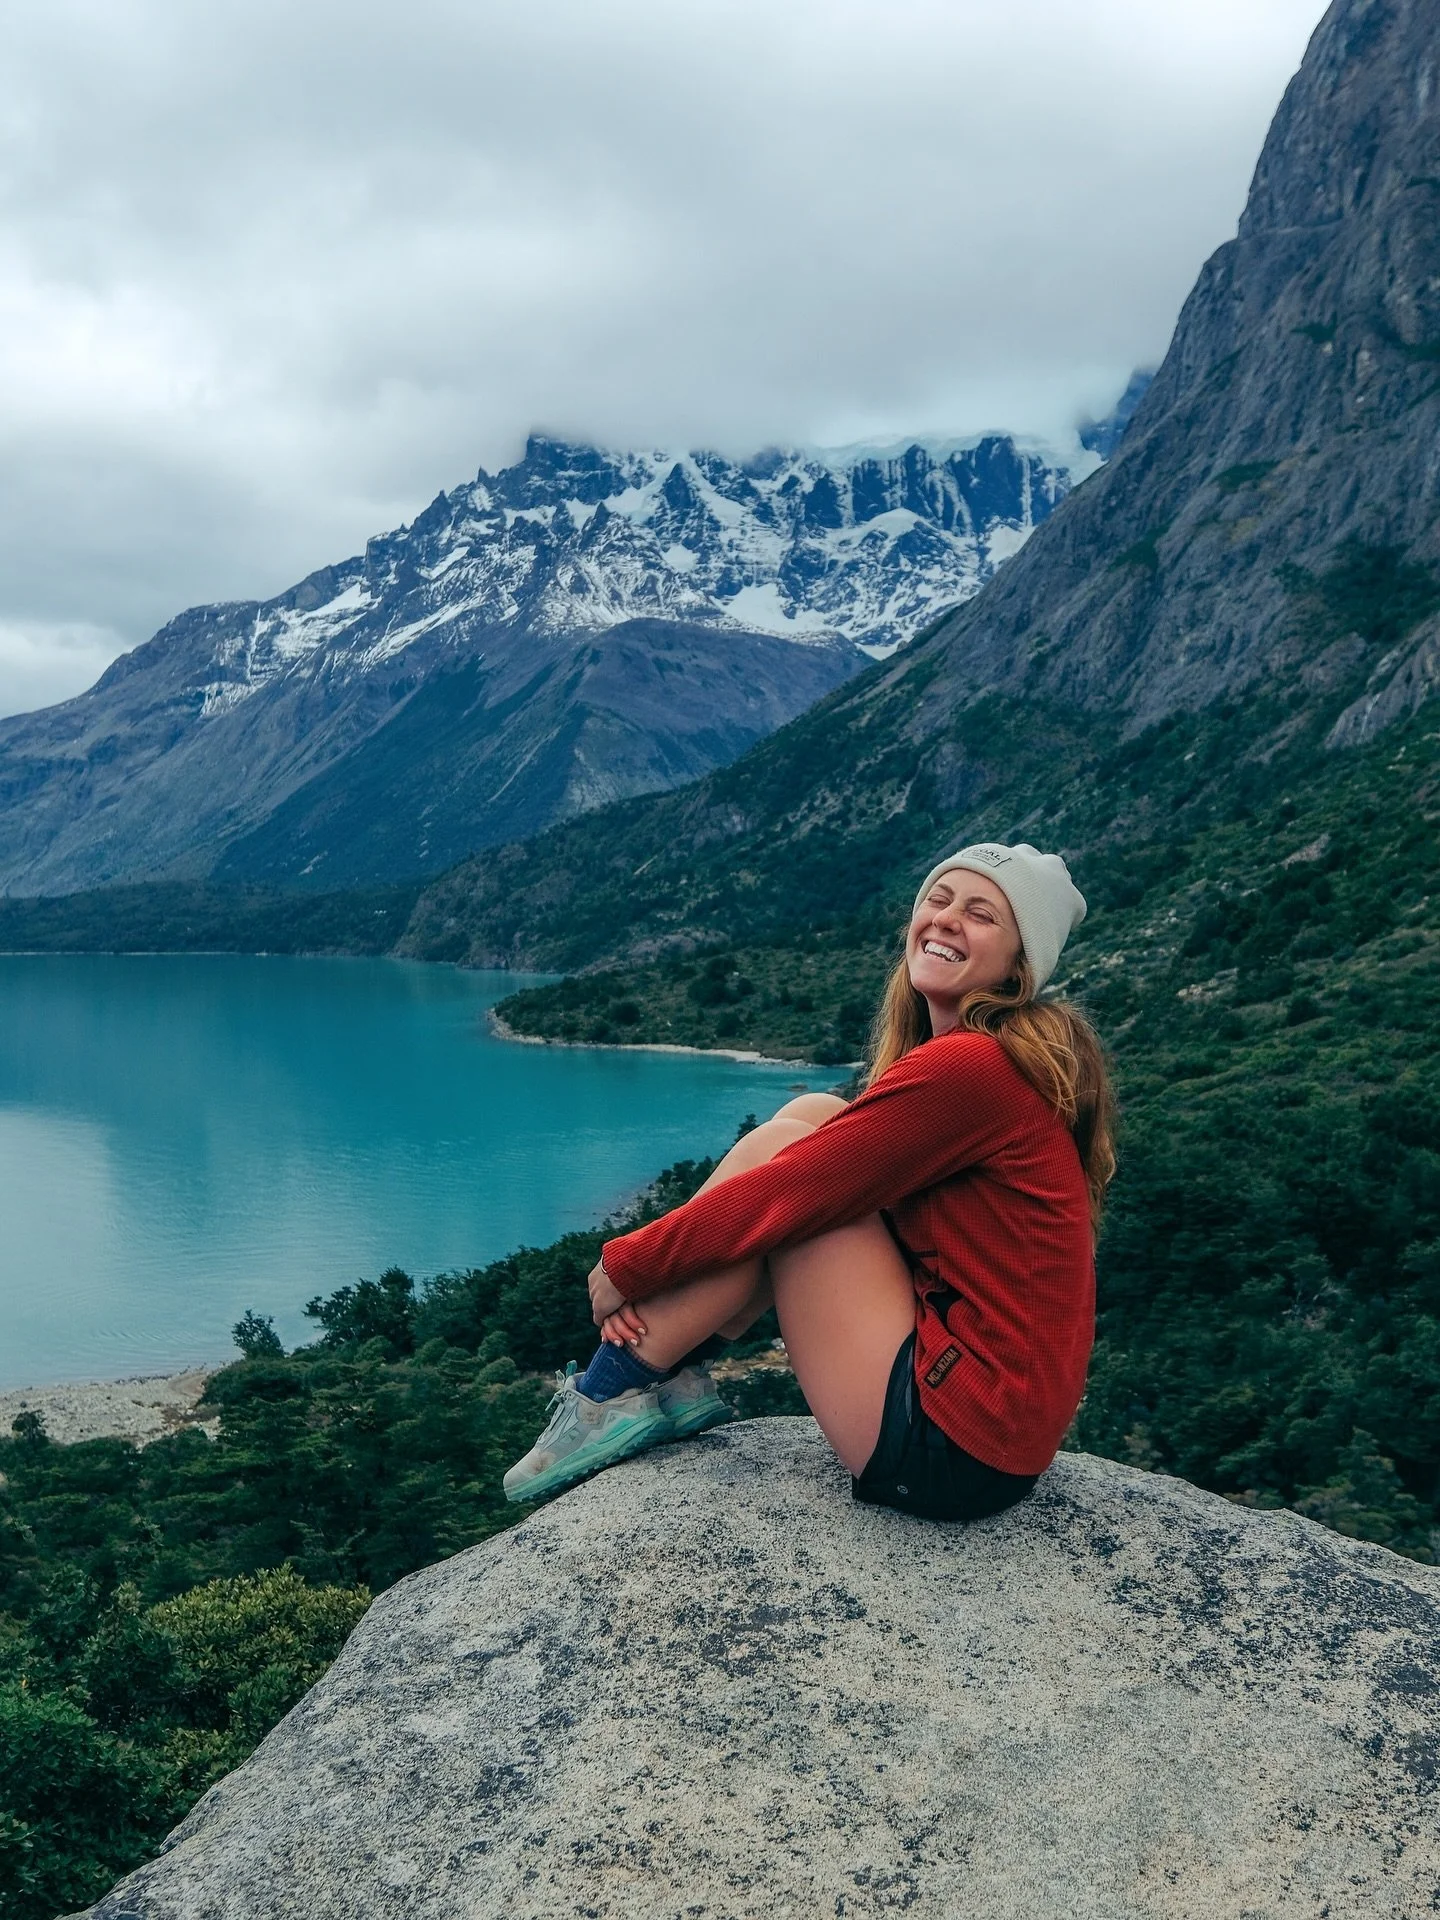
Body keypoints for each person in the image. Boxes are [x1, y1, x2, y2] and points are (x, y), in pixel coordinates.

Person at [503, 841, 1115, 1523]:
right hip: (990, 1433)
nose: (945, 920)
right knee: (814, 1116)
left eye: (981, 915)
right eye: (937, 901)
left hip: (955, 1447)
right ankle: (663, 1375)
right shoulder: (986, 1062)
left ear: (1017, 966)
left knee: (795, 1165)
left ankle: (616, 1385)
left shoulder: (975, 1070)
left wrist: (631, 1264)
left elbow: (792, 1194)